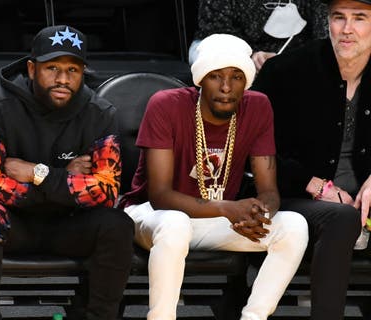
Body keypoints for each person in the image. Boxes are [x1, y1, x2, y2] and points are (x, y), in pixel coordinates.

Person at [120, 34, 309, 320]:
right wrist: (226, 208)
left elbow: (269, 190)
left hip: (216, 219)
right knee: (175, 223)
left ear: (247, 81)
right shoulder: (166, 104)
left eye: (236, 77)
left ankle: (254, 317)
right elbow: (159, 196)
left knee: (294, 226)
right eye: (215, 76)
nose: (225, 87)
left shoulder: (258, 107)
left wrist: (259, 214)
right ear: (199, 79)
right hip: (151, 216)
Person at [0, 25, 135, 320]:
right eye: (52, 68)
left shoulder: (100, 112)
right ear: (32, 69)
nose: (62, 79)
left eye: (73, 70)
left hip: (69, 224)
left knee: (117, 224)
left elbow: (107, 192)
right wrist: (68, 180)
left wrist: (39, 174)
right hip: (15, 222)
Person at [252, 0, 371, 318]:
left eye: (359, 19)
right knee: (341, 218)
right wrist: (315, 185)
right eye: (338, 18)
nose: (347, 29)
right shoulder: (286, 71)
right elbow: (254, 149)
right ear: (327, 22)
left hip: (363, 197)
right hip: (295, 195)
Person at [190, 0, 329, 71]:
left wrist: (288, 60)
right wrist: (250, 57)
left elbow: (324, 34)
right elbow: (217, 30)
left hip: (296, 55)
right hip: (234, 50)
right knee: (221, 60)